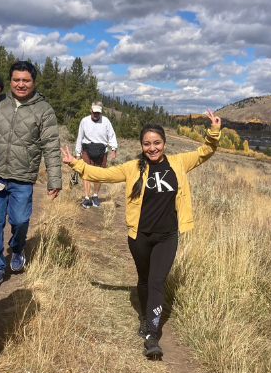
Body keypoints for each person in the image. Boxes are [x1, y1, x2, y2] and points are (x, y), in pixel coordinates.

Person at [61, 110, 221, 358]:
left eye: (157, 143)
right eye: (147, 144)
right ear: (142, 146)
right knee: (145, 280)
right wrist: (75, 163)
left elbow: (205, 152)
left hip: (167, 236)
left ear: (164, 144)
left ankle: (152, 337)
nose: (152, 148)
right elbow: (102, 174)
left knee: (157, 282)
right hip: (140, 236)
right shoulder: (132, 167)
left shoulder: (178, 163)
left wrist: (213, 131)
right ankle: (146, 315)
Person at [0, 61, 62, 287]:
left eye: (25, 80)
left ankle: (17, 247)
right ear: (10, 81)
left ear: (34, 82)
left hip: (23, 177)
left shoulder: (44, 110)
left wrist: (54, 179)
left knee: (19, 220)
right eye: (16, 80)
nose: (20, 84)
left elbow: (51, 145)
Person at [75, 101, 117, 208]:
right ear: (91, 110)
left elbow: (111, 135)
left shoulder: (106, 121)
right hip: (87, 149)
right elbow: (80, 137)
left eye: (98, 113)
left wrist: (113, 149)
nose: (96, 115)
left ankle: (95, 196)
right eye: (94, 112)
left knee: (99, 174)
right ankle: (86, 198)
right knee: (86, 174)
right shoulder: (84, 121)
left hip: (101, 151)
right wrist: (77, 153)